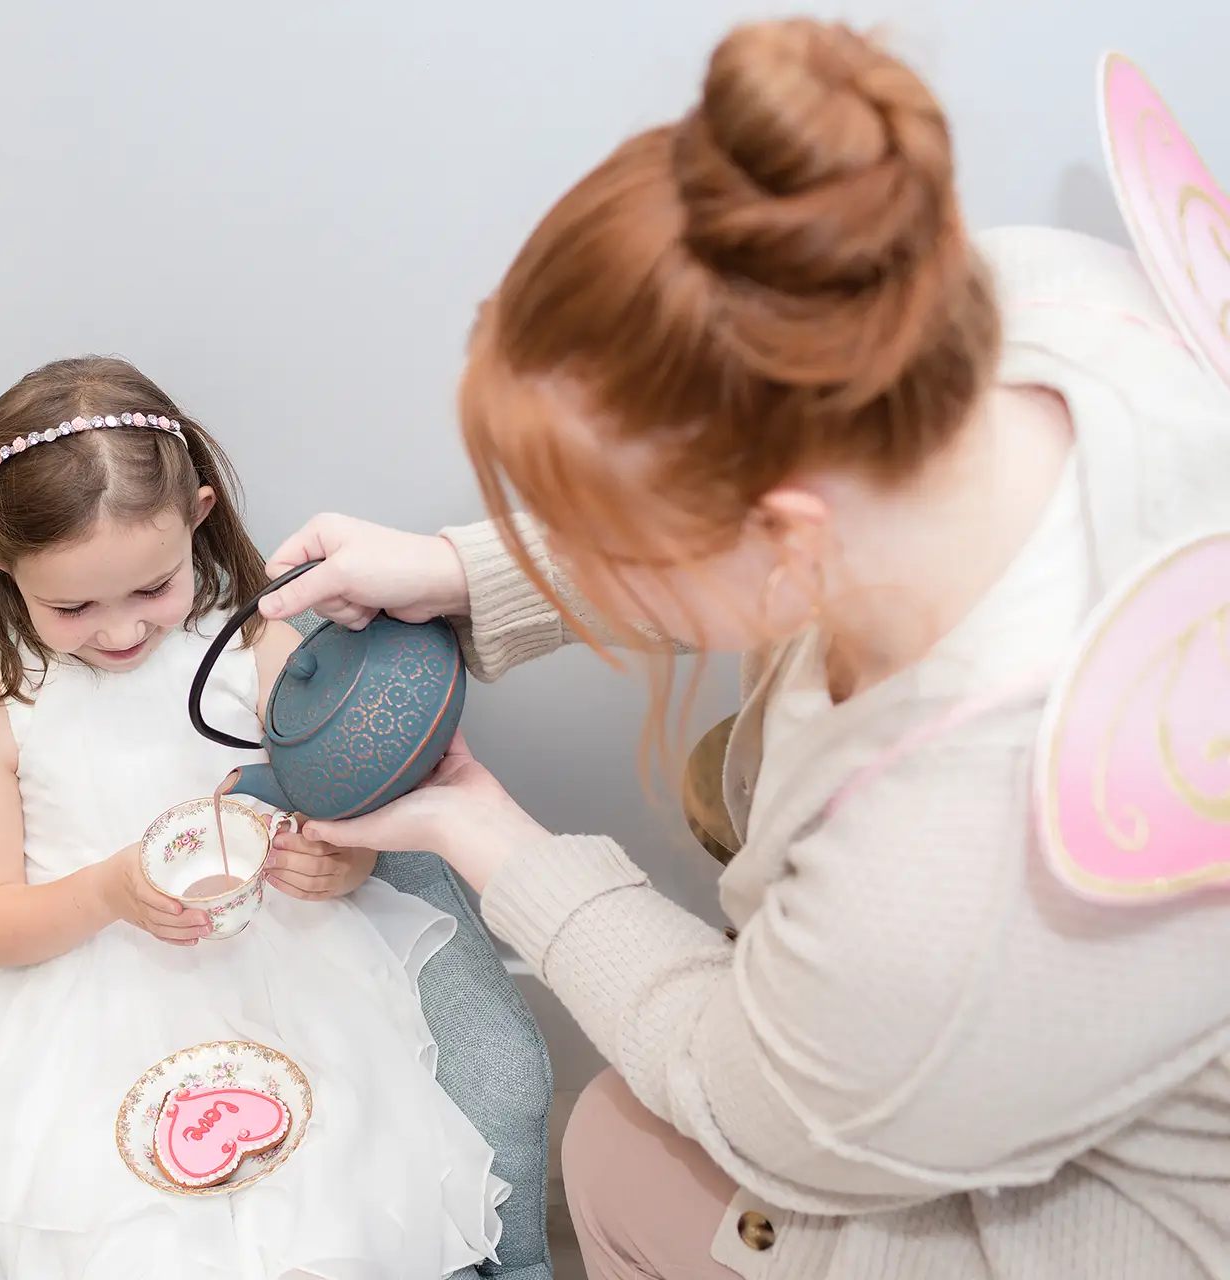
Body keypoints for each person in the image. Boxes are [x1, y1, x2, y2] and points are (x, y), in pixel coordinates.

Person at [257, 18, 1230, 1280]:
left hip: (1100, 1223)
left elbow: (749, 1097)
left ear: (786, 541)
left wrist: (479, 829)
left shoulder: (950, 875)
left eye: (604, 533)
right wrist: (463, 570)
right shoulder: (1028, 294)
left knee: (611, 1146)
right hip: (988, 1027)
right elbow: (749, 484)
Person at [0, 356, 509, 1279]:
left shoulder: (255, 644)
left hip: (279, 965)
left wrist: (341, 867)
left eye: (153, 589)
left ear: (199, 517)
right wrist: (112, 890)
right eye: (73, 606)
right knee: (131, 1236)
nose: (119, 632)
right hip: (87, 1004)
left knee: (331, 1201)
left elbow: (331, 808)